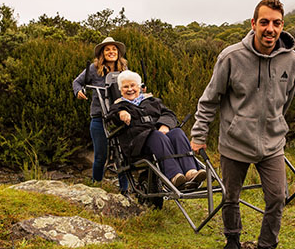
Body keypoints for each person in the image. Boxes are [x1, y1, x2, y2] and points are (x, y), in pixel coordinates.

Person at [190, 0, 295, 249]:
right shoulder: (231, 57)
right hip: (235, 141)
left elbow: (287, 99)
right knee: (231, 195)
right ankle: (232, 238)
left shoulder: (291, 59)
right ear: (253, 24)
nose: (270, 29)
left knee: (277, 197)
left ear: (282, 26)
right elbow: (210, 99)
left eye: (276, 23)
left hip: (272, 144)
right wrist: (199, 134)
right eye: (264, 22)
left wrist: (275, 123)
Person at [110, 70, 206, 190]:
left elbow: (169, 114)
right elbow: (112, 117)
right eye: (125, 86)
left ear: (139, 87)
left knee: (177, 133)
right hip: (136, 144)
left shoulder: (152, 101)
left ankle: (190, 172)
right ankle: (174, 175)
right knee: (157, 136)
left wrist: (164, 125)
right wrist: (121, 113)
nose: (130, 89)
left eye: (133, 85)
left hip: (158, 137)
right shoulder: (118, 106)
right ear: (120, 90)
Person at [72, 36, 129, 191]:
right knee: (100, 155)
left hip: (120, 115)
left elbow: (133, 86)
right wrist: (78, 91)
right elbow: (77, 82)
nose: (111, 52)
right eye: (107, 49)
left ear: (118, 53)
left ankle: (125, 190)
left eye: (114, 49)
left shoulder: (124, 71)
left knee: (122, 153)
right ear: (102, 53)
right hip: (99, 115)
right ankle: (95, 186)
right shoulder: (93, 68)